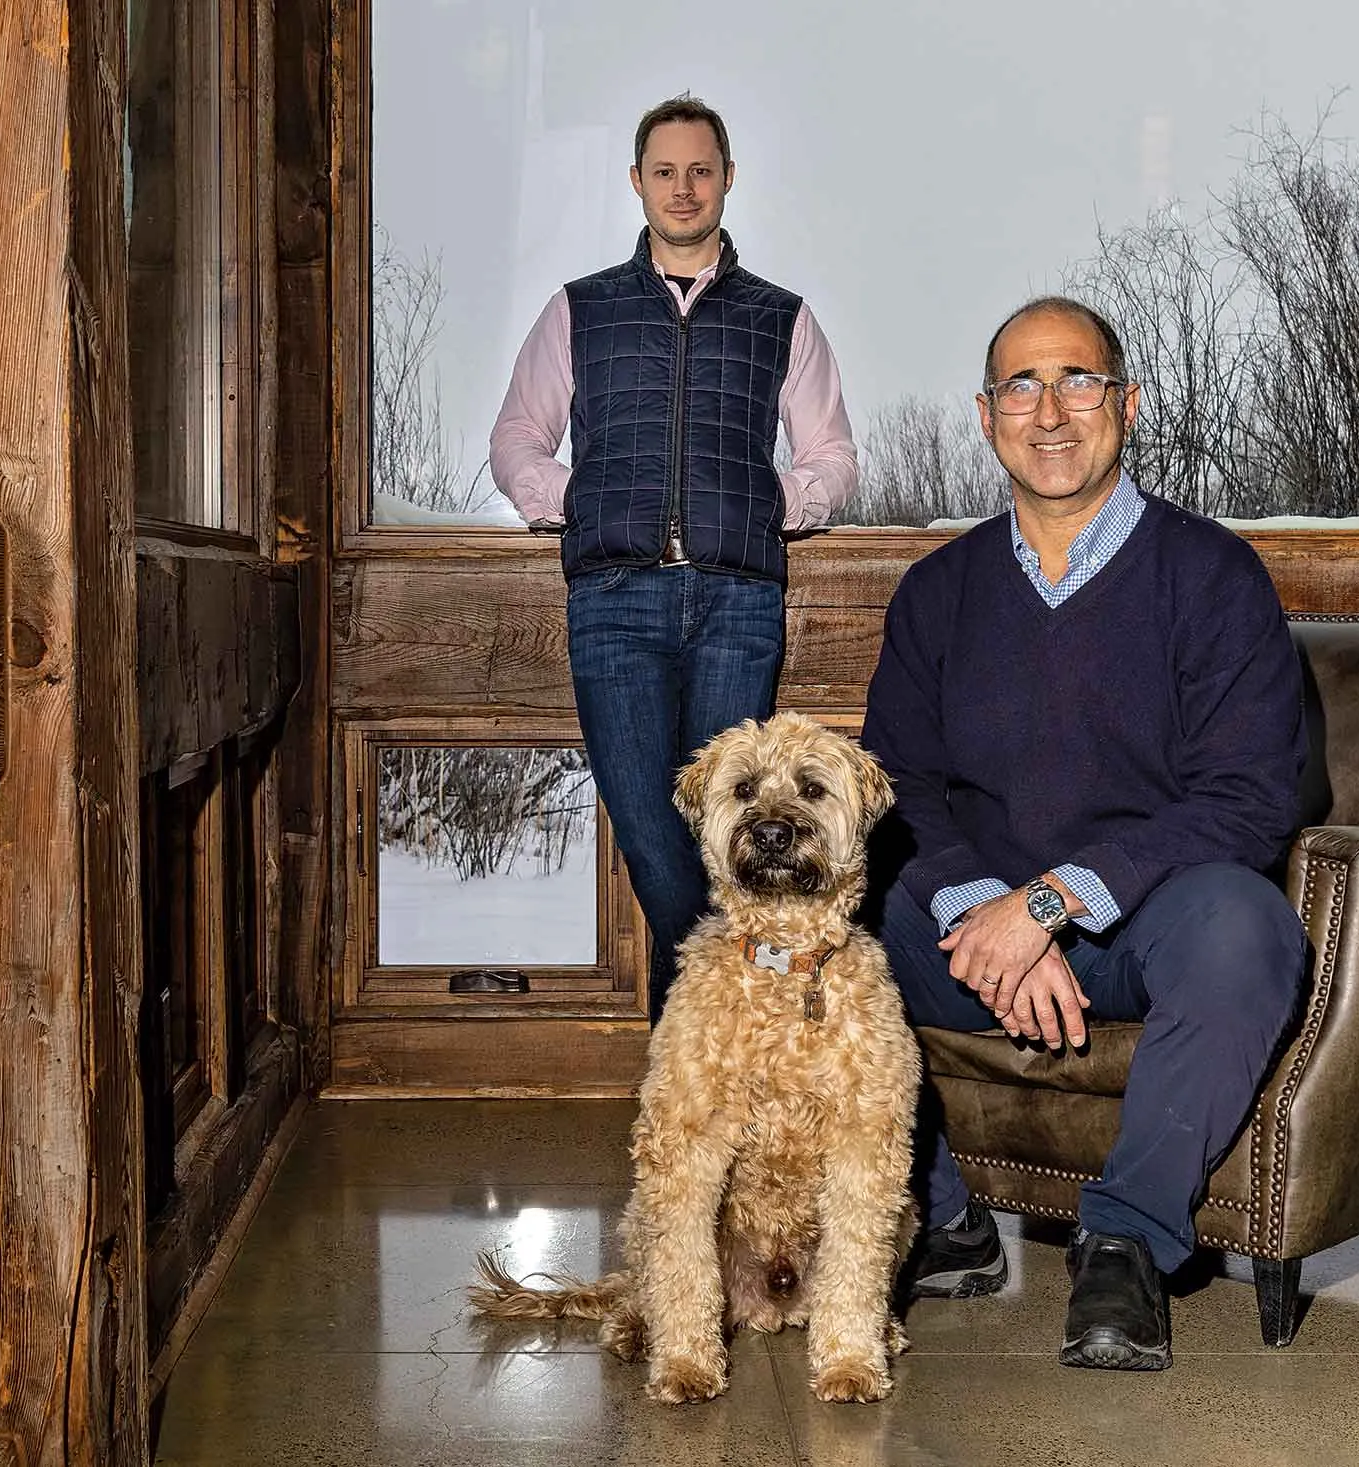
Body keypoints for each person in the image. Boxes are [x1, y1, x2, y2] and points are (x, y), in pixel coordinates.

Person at [860, 296, 1308, 1370]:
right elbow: (900, 786)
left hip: (1148, 924)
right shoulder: (936, 592)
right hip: (975, 939)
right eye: (1020, 384)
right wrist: (984, 912)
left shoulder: (1211, 576)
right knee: (831, 928)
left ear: (1127, 404)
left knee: (1247, 928)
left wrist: (1052, 903)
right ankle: (941, 1217)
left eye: (1077, 382)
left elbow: (1249, 797)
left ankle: (1124, 1241)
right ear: (984, 416)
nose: (1048, 411)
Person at [490, 94, 859, 1019]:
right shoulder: (580, 310)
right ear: (637, 183)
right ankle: (724, 1054)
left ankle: (692, 1075)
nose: (684, 188)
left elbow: (833, 458)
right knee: (659, 842)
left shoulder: (783, 317)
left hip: (738, 605)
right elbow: (516, 440)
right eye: (665, 172)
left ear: (728, 179)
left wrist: (778, 502)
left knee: (725, 837)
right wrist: (574, 500)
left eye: (701, 171)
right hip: (614, 604)